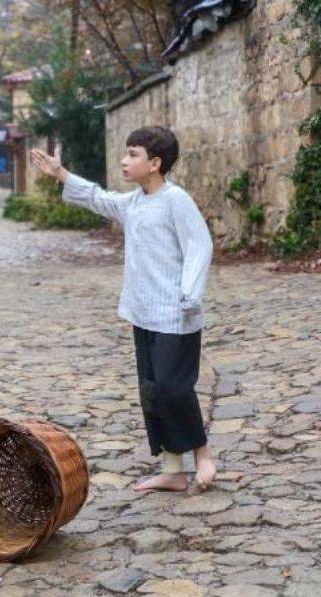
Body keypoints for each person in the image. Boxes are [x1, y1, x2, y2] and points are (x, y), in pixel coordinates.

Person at [30, 126, 217, 492]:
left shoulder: (176, 200)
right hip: (143, 314)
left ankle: (203, 454)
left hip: (177, 315)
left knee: (173, 388)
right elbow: (98, 198)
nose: (124, 160)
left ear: (155, 163)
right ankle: (173, 469)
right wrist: (60, 174)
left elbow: (200, 245)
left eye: (132, 154)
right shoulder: (133, 203)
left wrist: (190, 294)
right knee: (152, 390)